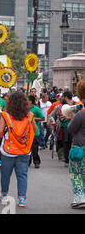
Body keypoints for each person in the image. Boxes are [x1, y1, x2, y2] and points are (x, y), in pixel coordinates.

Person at [0, 92, 37, 207]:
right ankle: (22, 198)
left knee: (5, 174)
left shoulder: (5, 115)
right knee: (22, 175)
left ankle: (4, 195)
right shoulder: (30, 115)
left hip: (8, 150)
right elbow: (35, 129)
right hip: (24, 149)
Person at [66, 80, 85, 208]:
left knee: (77, 173)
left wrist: (73, 116)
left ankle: (80, 198)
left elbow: (70, 129)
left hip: (80, 147)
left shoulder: (81, 114)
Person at [28, 95, 44, 169]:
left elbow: (43, 118)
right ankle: (27, 162)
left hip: (35, 132)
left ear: (30, 101)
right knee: (27, 149)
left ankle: (36, 162)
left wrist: (34, 118)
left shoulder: (36, 109)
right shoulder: (24, 109)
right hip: (26, 132)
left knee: (34, 149)